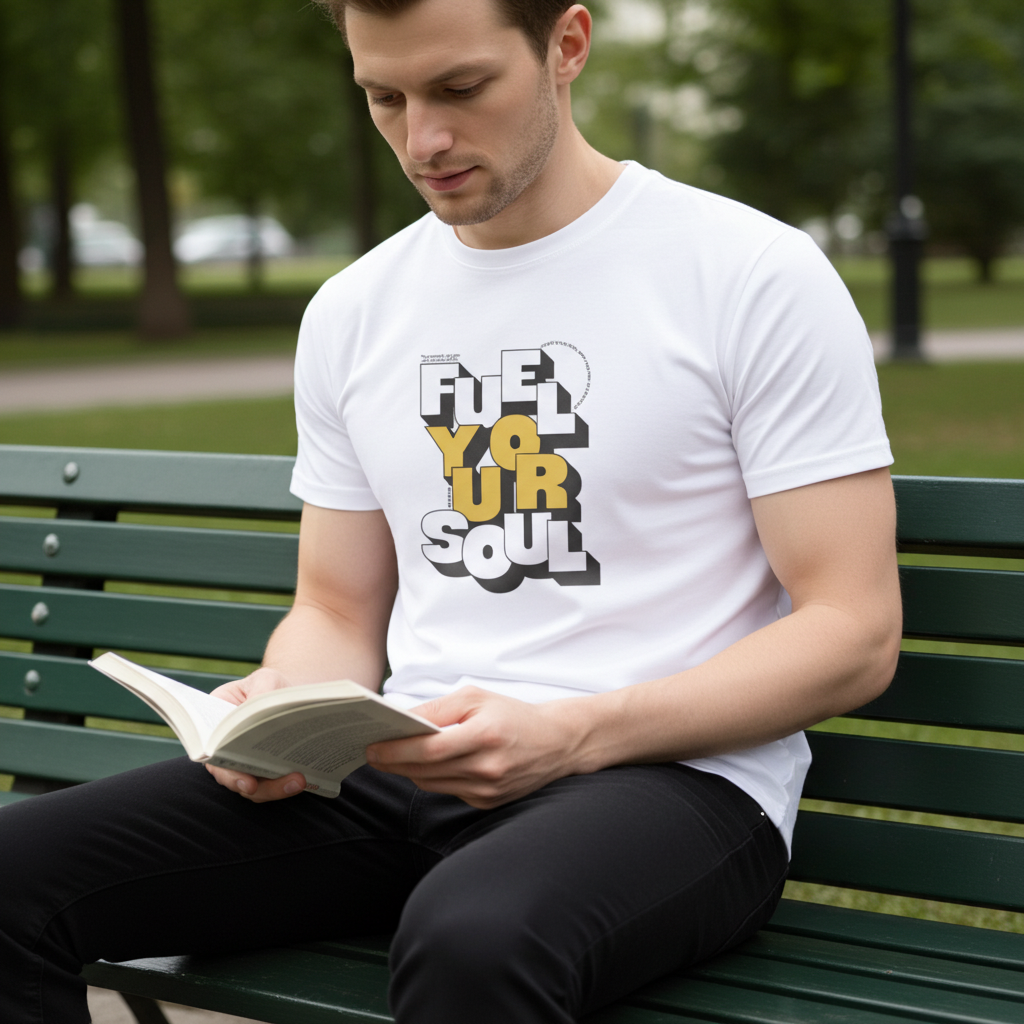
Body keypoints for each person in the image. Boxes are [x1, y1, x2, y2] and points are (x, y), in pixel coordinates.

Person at [0, 1, 902, 1022]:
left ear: (566, 46)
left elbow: (853, 632)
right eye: (384, 97)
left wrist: (574, 731)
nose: (422, 138)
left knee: (475, 937)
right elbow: (336, 608)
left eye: (461, 89)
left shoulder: (748, 275)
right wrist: (285, 710)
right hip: (405, 765)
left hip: (670, 778)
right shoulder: (354, 308)